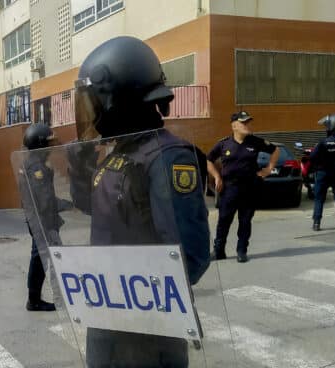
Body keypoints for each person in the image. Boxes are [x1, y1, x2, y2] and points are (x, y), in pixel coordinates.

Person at [74, 36, 210, 367]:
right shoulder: (120, 152)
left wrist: (132, 287)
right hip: (108, 314)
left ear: (119, 97)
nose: (90, 113)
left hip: (148, 329)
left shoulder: (166, 157)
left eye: (94, 102)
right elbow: (100, 212)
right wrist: (80, 167)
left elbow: (188, 257)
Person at [207, 111, 279, 263]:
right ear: (234, 126)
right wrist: (217, 176)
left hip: (249, 188)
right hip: (229, 189)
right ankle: (219, 251)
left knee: (245, 221)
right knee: (224, 221)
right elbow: (208, 160)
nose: (248, 125)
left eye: (248, 122)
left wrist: (268, 169)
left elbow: (275, 150)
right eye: (244, 123)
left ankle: (241, 251)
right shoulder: (223, 144)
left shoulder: (255, 142)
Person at [18, 123, 62, 312]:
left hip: (36, 218)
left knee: (40, 257)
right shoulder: (37, 169)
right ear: (40, 145)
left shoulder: (30, 164)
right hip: (41, 220)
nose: (52, 147)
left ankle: (34, 298)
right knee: (41, 258)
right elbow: (44, 201)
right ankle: (34, 300)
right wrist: (68, 205)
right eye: (48, 144)